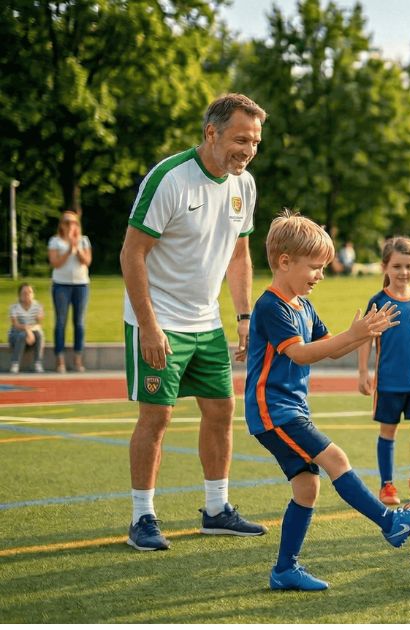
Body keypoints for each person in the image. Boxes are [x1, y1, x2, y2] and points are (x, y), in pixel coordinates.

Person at [246, 211, 410, 591]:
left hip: (290, 408)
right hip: (274, 410)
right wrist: (355, 332)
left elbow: (331, 347)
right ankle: (389, 522)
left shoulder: (303, 305)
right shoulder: (273, 306)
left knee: (307, 488)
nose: (319, 275)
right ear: (285, 262)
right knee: (336, 459)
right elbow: (301, 354)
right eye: (314, 267)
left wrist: (364, 333)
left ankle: (285, 570)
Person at [119, 93, 268, 551]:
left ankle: (216, 510)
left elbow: (239, 256)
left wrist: (243, 315)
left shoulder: (245, 185)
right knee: (157, 416)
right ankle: (142, 517)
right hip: (158, 316)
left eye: (256, 142)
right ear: (211, 133)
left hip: (206, 322)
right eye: (241, 139)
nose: (248, 149)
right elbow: (131, 254)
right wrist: (148, 325)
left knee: (221, 411)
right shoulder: (169, 178)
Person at [357, 236, 410, 507]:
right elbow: (365, 339)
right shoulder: (379, 301)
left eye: (408, 266)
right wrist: (363, 373)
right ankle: (387, 484)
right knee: (388, 432)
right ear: (385, 267)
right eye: (397, 266)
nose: (403, 272)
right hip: (389, 382)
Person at [47, 210, 91, 372]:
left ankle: (77, 359)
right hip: (61, 285)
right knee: (60, 322)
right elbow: (56, 263)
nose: (70, 225)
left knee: (79, 323)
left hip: (81, 285)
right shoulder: (55, 241)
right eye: (66, 222)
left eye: (73, 222)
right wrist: (69, 248)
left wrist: (77, 247)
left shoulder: (84, 241)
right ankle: (60, 360)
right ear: (61, 225)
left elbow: (87, 261)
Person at [8, 283, 45, 373]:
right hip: (16, 334)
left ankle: (38, 363)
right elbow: (16, 325)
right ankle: (15, 363)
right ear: (19, 295)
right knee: (22, 335)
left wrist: (30, 330)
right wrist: (27, 330)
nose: (27, 295)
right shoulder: (14, 307)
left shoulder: (38, 306)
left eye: (29, 292)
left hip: (32, 334)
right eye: (24, 293)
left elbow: (39, 324)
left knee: (39, 334)